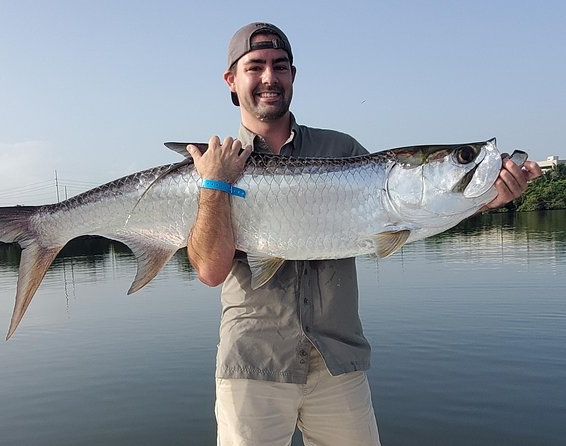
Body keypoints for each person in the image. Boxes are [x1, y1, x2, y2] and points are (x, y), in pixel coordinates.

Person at [185, 22, 541, 446]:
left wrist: (483, 199)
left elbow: (408, 217)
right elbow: (209, 270)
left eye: (280, 66)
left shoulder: (343, 150)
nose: (269, 77)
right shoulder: (209, 167)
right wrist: (214, 186)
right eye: (255, 66)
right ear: (231, 79)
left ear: (293, 76)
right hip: (253, 363)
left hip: (339, 363)